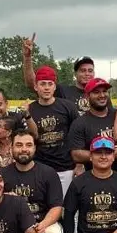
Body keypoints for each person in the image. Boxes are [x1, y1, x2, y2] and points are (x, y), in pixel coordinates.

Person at [26, 66, 80, 197]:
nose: (46, 87)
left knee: (66, 207)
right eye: (42, 84)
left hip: (66, 167)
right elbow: (30, 138)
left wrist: (79, 164)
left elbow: (78, 136)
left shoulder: (68, 107)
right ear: (36, 87)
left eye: (50, 84)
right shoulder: (30, 109)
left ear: (55, 87)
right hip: (40, 167)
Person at [22, 35, 110, 113]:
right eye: (83, 70)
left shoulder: (101, 95)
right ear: (75, 73)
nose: (87, 73)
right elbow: (33, 84)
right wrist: (27, 58)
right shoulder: (63, 91)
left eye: (90, 71)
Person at [69, 78, 117, 173]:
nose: (102, 95)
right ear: (87, 96)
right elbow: (76, 155)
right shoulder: (80, 123)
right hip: (97, 179)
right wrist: (112, 153)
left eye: (104, 91)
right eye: (96, 92)